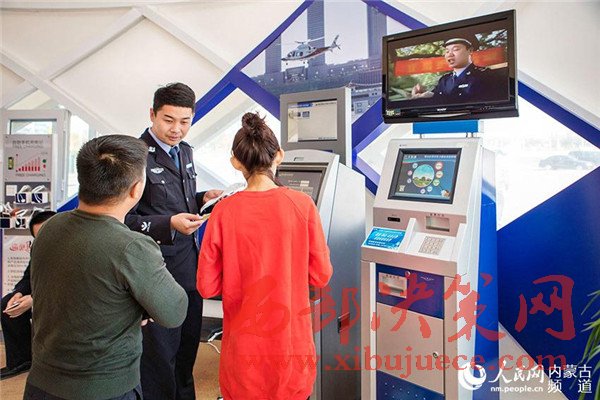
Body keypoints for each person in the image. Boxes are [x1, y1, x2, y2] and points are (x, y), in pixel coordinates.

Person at [24, 135, 188, 400]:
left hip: (41, 383)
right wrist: (140, 307)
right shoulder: (132, 247)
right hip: (106, 388)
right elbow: (174, 312)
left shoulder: (50, 227)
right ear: (136, 189)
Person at [197, 112, 333, 400]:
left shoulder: (223, 211)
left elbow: (207, 287)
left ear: (236, 162)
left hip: (242, 354)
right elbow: (320, 276)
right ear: (279, 155)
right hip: (291, 349)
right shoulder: (303, 205)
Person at [125, 82, 222, 400]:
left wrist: (201, 197)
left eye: (185, 121)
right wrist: (168, 224)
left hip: (189, 271)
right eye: (168, 120)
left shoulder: (185, 151)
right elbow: (122, 219)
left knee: (186, 354)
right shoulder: (134, 156)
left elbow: (174, 200)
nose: (176, 129)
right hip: (155, 275)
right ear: (152, 114)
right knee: (159, 361)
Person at [0, 210, 56, 380]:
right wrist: (18, 293)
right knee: (7, 304)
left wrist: (34, 299)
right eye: (38, 238)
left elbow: (71, 285)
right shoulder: (38, 251)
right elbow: (28, 277)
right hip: (43, 295)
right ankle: (20, 361)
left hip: (68, 300)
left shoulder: (77, 250)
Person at [411, 35, 500, 102]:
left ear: (470, 50)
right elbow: (436, 101)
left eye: (456, 49)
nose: (449, 54)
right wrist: (422, 95)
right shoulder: (444, 80)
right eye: (447, 51)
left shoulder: (485, 75)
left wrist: (435, 97)